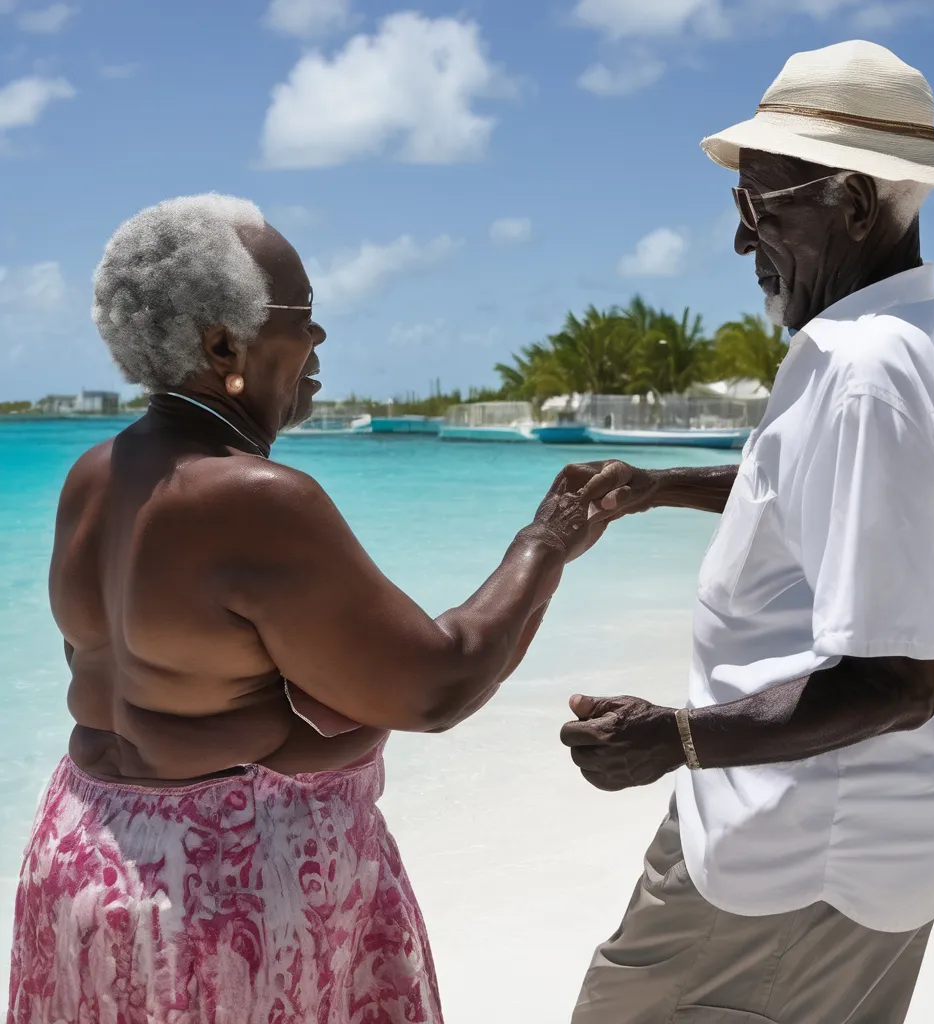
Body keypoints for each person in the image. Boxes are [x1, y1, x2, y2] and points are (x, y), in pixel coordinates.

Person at [6, 194, 610, 1024]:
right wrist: (545, 543)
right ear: (224, 343)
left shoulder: (91, 476)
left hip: (82, 864)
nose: (320, 340)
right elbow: (438, 685)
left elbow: (160, 682)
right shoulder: (256, 498)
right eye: (302, 316)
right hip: (218, 907)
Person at [561, 40, 934, 1023]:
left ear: (849, 202)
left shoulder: (864, 368)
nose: (741, 242)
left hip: (796, 857)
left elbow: (892, 680)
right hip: (839, 837)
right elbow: (813, 489)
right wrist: (656, 485)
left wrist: (669, 737)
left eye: (762, 209)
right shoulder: (912, 335)